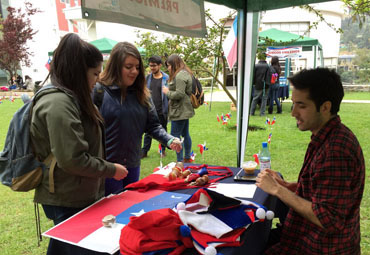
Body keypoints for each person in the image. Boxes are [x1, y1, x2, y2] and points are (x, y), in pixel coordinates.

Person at [30, 33, 128, 255]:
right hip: (67, 196)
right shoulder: (58, 103)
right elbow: (72, 158)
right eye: (94, 73)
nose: (97, 79)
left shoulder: (72, 97)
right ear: (78, 71)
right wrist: (111, 169)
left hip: (77, 191)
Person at [256, 68, 365, 254]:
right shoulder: (326, 136)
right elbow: (321, 188)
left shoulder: (336, 150)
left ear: (325, 107)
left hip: (321, 246)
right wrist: (289, 185)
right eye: (293, 104)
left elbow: (327, 219)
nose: (293, 113)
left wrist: (278, 190)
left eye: (302, 105)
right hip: (305, 235)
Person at [97, 42, 182, 196]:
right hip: (108, 167)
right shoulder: (99, 92)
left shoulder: (142, 94)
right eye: (129, 67)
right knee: (110, 212)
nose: (134, 71)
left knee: (128, 209)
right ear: (115, 66)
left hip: (132, 164)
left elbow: (153, 125)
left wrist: (169, 140)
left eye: (137, 67)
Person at [162, 54, 195, 163]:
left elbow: (179, 94)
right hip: (183, 110)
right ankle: (186, 158)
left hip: (179, 111)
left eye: (169, 65)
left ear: (174, 64)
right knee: (185, 134)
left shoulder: (180, 75)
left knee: (175, 136)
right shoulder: (185, 73)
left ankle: (180, 160)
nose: (168, 68)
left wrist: (167, 92)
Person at [141, 55, 169, 158]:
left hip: (162, 110)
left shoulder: (166, 78)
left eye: (154, 66)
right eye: (150, 66)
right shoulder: (147, 78)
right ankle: (144, 152)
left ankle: (163, 150)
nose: (152, 68)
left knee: (163, 130)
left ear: (160, 65)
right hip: (150, 109)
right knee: (148, 132)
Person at [250, 52, 271, 116]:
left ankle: (251, 112)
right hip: (266, 85)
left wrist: (253, 83)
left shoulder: (256, 66)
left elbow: (253, 76)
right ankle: (262, 113)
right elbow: (269, 76)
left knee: (255, 99)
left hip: (258, 85)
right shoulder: (268, 66)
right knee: (264, 99)